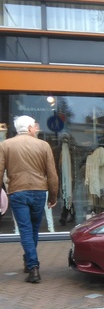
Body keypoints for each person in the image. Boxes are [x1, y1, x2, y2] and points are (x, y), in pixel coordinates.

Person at [0, 115, 58, 283]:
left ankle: (32, 265)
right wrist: (53, 195)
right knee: (33, 229)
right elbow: (52, 174)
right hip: (39, 191)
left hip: (17, 191)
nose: (36, 129)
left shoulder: (6, 145)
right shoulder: (43, 145)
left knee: (25, 229)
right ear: (30, 127)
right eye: (35, 126)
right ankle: (31, 263)